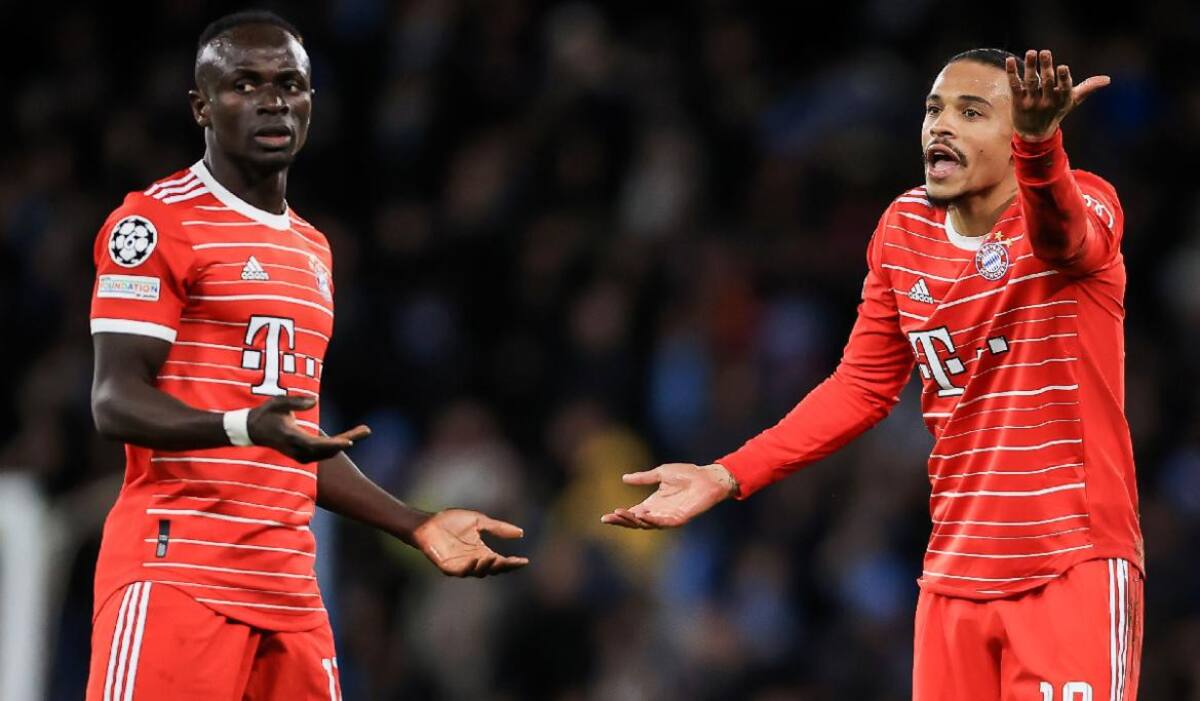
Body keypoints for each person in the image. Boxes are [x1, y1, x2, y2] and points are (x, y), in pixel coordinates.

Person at [604, 48, 1142, 701]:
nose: (942, 125)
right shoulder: (904, 229)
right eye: (934, 109)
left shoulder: (1086, 199)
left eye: (972, 112)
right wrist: (726, 473)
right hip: (954, 579)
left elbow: (1065, 238)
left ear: (1020, 132)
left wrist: (1041, 150)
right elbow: (860, 387)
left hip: (1070, 564)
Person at [85, 11, 528, 699]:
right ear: (201, 106)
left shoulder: (313, 250)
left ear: (312, 103)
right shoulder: (155, 221)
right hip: (178, 572)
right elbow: (113, 399)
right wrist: (242, 426)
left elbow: (295, 440)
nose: (272, 100)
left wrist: (416, 524)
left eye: (289, 84)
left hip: (289, 591)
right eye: (245, 84)